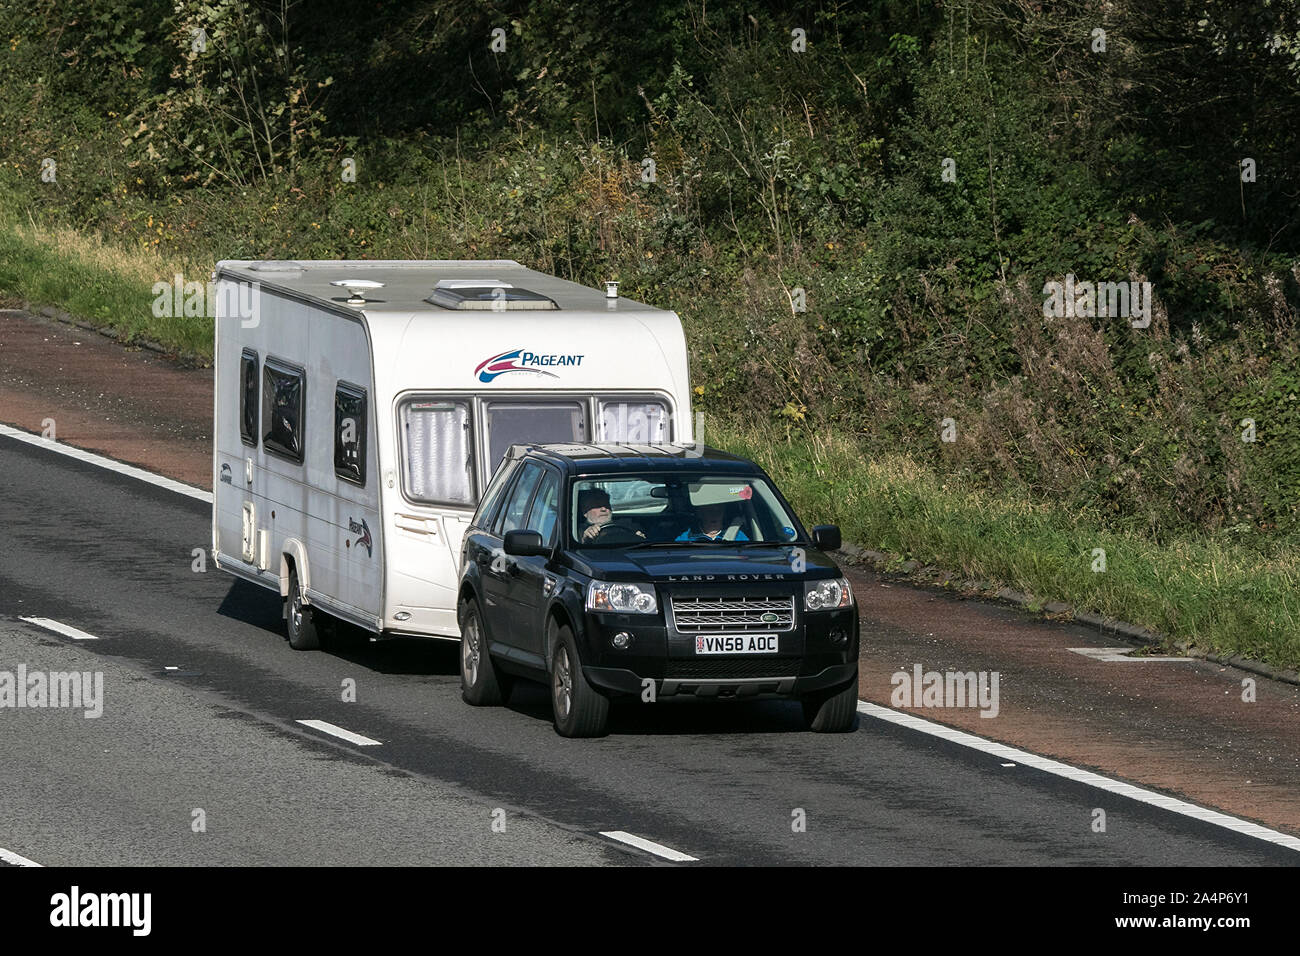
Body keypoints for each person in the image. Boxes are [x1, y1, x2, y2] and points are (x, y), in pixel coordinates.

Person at [676, 483, 749, 541]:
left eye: (719, 510)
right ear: (699, 513)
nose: (714, 514)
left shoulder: (738, 536)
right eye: (709, 511)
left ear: (724, 513)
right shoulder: (686, 538)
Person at [577, 487, 645, 543]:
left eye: (606, 505)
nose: (604, 509)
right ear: (585, 512)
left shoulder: (628, 526)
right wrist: (585, 539)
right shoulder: (577, 532)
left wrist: (640, 539)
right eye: (597, 505)